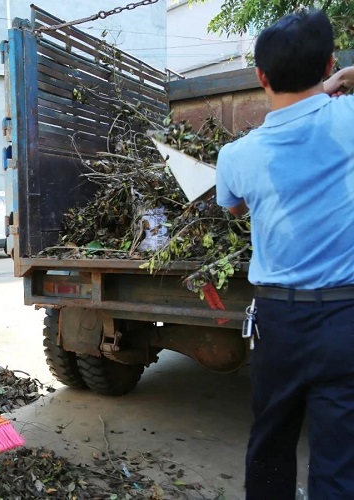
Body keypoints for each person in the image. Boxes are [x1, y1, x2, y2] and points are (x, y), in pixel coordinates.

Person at [215, 9, 354, 499]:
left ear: (260, 77)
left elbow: (232, 208)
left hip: (278, 323)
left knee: (271, 442)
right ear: (331, 62)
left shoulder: (237, 156)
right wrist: (341, 81)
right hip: (345, 319)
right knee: (340, 457)